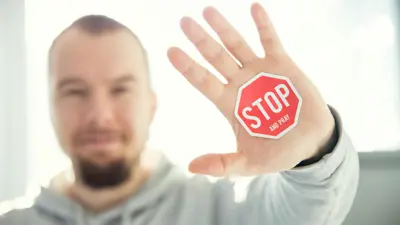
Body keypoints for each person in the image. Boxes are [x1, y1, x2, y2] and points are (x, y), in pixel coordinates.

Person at [0, 3, 359, 225]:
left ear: (152, 105)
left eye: (121, 89)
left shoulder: (220, 211)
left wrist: (314, 155)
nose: (100, 115)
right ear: (50, 107)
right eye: (75, 92)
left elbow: (307, 214)